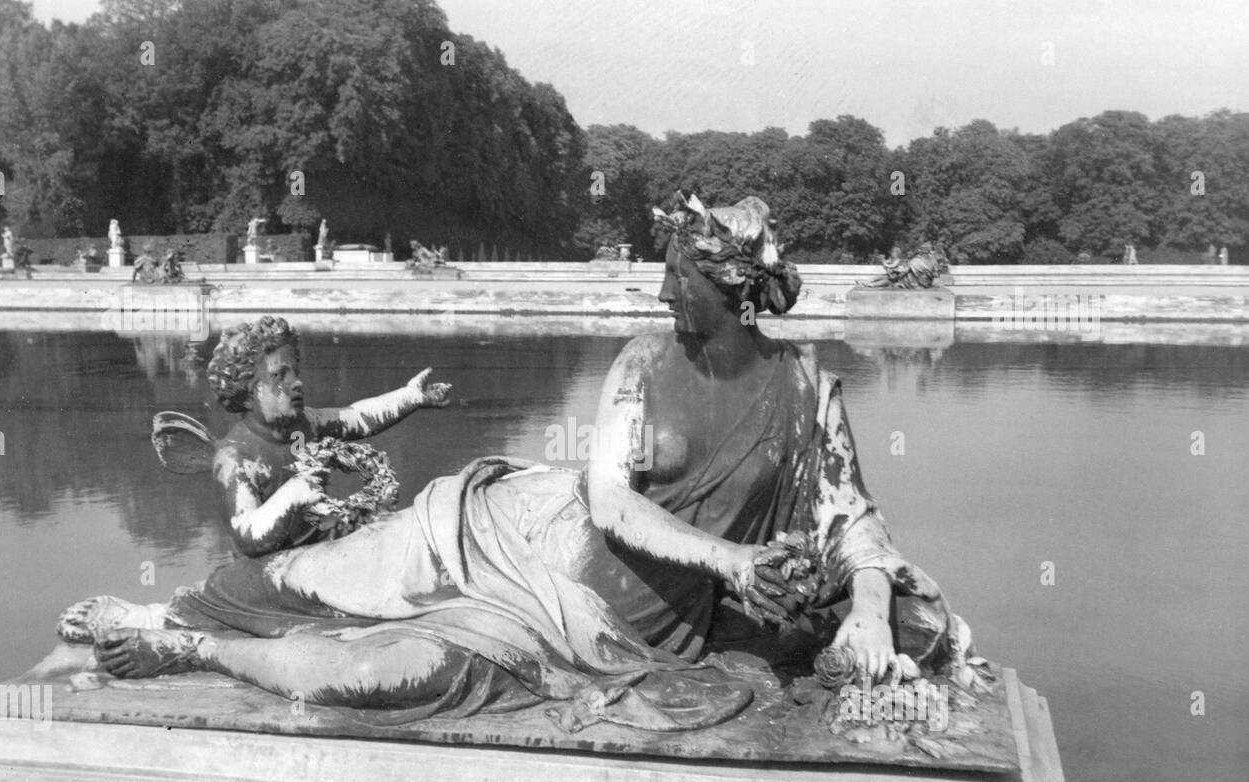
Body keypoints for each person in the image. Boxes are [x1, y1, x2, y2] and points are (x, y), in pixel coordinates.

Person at [57, 195, 975, 732]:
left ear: (731, 292)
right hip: (514, 542)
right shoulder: (641, 368)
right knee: (310, 576)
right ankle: (171, 618)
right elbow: (611, 503)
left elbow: (853, 517)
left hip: (604, 634)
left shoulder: (807, 387)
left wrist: (865, 612)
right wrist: (733, 560)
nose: (660, 289)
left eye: (678, 277)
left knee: (386, 680)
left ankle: (201, 651)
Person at [204, 316, 452, 558]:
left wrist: (410, 397)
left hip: (322, 544)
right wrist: (293, 494)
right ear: (246, 392)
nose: (297, 382)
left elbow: (357, 417)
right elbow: (246, 537)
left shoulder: (305, 425)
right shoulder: (235, 456)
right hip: (275, 563)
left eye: (295, 372)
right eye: (279, 376)